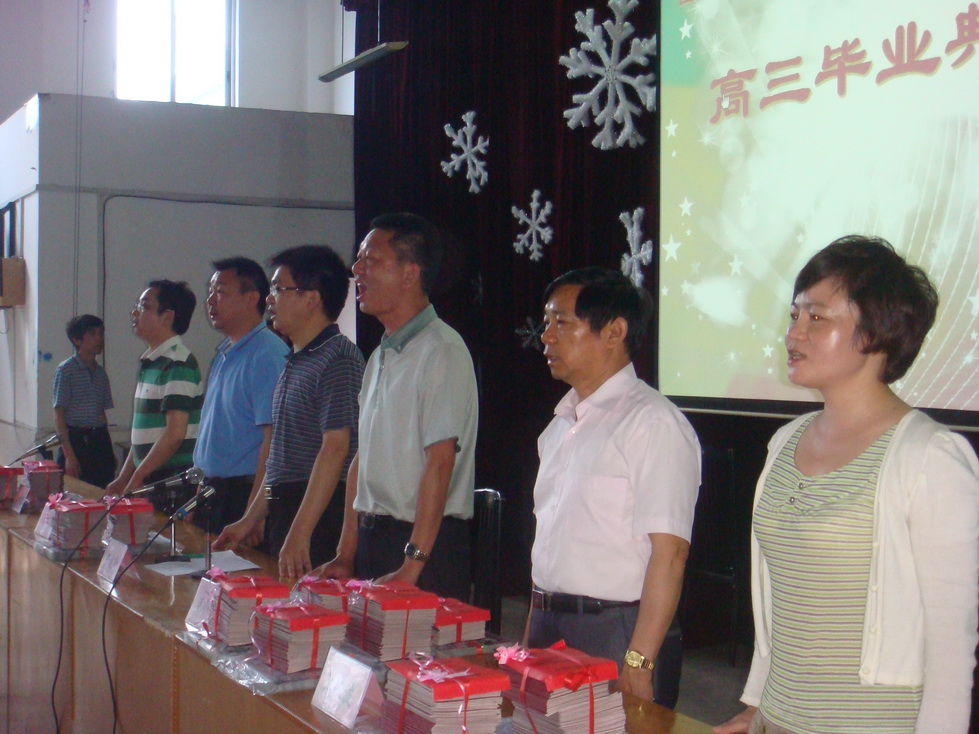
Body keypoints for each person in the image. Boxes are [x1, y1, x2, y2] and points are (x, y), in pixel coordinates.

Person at [715, 235, 979, 734]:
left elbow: (951, 645)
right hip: (777, 718)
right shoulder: (784, 442)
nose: (793, 334)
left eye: (817, 317)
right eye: (794, 315)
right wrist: (756, 704)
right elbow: (783, 603)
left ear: (876, 332)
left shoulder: (930, 458)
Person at [525, 267, 700, 707]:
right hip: (549, 623)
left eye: (561, 322)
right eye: (546, 322)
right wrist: (531, 633)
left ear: (614, 332)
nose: (546, 336)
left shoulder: (652, 422)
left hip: (615, 631)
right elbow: (548, 546)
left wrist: (639, 662)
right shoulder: (559, 426)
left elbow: (670, 554)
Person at [314, 213, 478, 601]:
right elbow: (362, 460)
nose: (357, 271)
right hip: (375, 541)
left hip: (423, 549)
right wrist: (346, 553)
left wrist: (412, 565)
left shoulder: (441, 350)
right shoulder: (380, 356)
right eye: (358, 259)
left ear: (409, 274)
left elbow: (440, 462)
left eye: (371, 260)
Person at [213, 246, 364, 578]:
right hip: (286, 507)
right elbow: (278, 470)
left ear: (312, 299)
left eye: (279, 288)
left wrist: (301, 531)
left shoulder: (338, 358)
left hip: (319, 515)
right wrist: (249, 519)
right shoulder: (295, 360)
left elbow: (335, 449)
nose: (270, 299)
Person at [192, 257, 289, 534]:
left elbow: (274, 440)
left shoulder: (267, 354)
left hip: (242, 494)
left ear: (251, 299)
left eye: (221, 292)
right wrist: (197, 496)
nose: (210, 300)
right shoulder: (226, 352)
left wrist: (255, 513)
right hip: (212, 492)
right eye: (210, 291)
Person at [105, 280, 203, 510]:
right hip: (152, 474)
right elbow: (144, 437)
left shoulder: (178, 363)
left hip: (171, 480)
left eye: (144, 306)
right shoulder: (152, 362)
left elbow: (174, 434)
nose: (135, 312)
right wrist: (124, 477)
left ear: (167, 317)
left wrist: (137, 477)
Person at [52, 314, 116, 488]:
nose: (99, 338)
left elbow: (101, 414)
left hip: (99, 439)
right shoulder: (66, 370)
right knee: (74, 494)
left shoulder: (101, 373)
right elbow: (59, 417)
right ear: (77, 339)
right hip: (76, 440)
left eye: (100, 333)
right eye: (93, 333)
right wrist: (69, 457)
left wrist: (108, 449)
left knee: (102, 492)